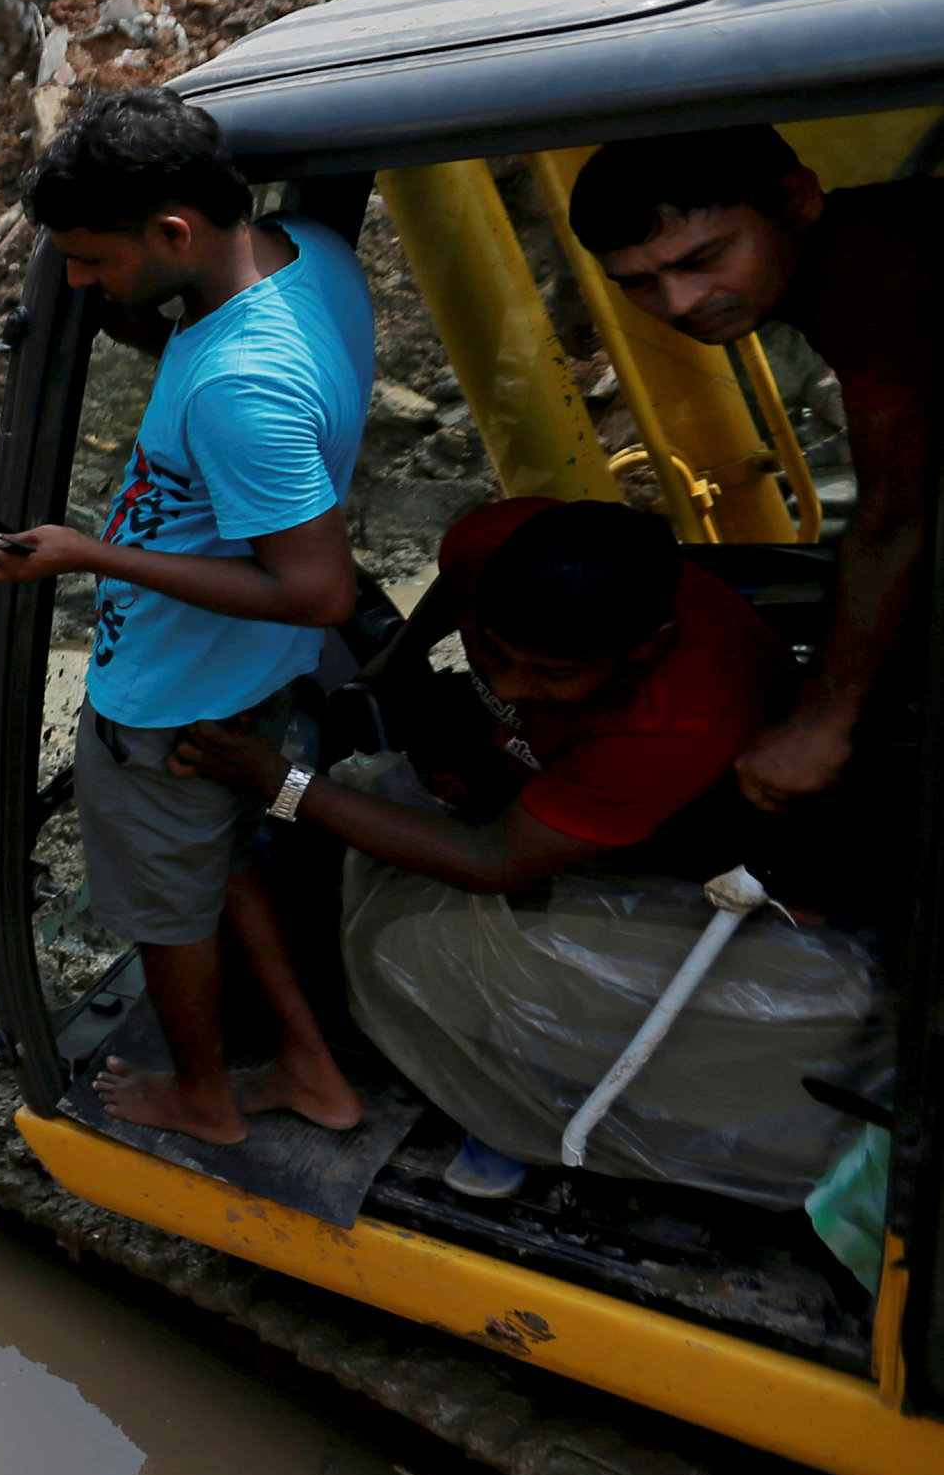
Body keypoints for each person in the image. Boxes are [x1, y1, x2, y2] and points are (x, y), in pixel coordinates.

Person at [173, 497, 793, 1196]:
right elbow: (456, 593)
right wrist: (395, 659)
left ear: (647, 648)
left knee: (436, 948)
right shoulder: (493, 543)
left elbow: (491, 864)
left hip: (684, 850)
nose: (504, 685)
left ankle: (517, 1109)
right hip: (552, 780)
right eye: (491, 650)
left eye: (549, 673)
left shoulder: (681, 722)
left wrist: (279, 784)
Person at [0, 89, 374, 1147]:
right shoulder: (310, 251)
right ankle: (306, 1066)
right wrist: (151, 325)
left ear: (173, 233)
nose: (77, 281)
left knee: (163, 911)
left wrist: (85, 551)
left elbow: (317, 588)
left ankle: (204, 1098)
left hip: (168, 703)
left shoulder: (238, 385)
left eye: (94, 260)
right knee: (223, 864)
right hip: (253, 679)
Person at [568, 126, 944, 816]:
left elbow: (899, 509)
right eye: (641, 284)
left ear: (797, 199)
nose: (681, 302)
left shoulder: (880, 267)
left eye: (705, 258)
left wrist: (819, 727)